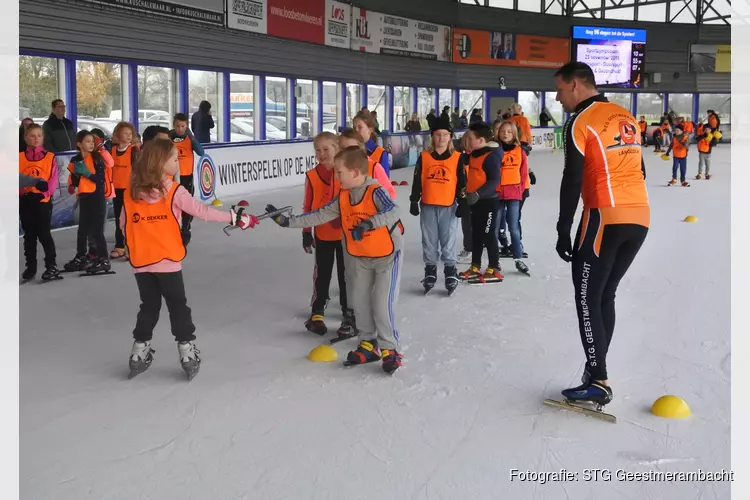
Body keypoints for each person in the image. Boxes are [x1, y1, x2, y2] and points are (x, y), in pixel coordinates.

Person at [553, 61, 649, 408]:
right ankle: (597, 374)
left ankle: (599, 379)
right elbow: (640, 167)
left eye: (560, 90)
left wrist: (565, 228)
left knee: (586, 298)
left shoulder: (581, 121)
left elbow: (572, 179)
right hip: (639, 215)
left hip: (603, 218)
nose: (558, 97)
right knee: (605, 295)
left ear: (577, 86)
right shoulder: (625, 116)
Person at [121, 139, 259, 380]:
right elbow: (201, 211)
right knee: (178, 306)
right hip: (168, 260)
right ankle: (186, 350)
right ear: (161, 164)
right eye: (175, 159)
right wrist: (234, 218)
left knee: (149, 306)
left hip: (141, 261)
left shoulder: (131, 193)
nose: (178, 163)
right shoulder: (174, 190)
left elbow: (124, 226)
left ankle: (138, 350)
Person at [267, 147, 405, 374]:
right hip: (359, 256)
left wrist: (369, 223)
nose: (336, 176)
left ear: (355, 172)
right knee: (358, 302)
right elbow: (318, 214)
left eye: (339, 172)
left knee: (381, 304)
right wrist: (286, 221)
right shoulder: (342, 196)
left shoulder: (374, 190)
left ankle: (390, 349)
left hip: (386, 256)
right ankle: (368, 344)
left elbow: (394, 209)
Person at [301, 132, 356, 341]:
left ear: (337, 149)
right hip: (322, 233)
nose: (322, 154)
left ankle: (347, 314)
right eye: (318, 150)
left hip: (344, 235)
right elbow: (307, 205)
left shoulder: (344, 173)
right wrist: (306, 232)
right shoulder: (312, 176)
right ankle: (317, 312)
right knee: (322, 275)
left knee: (345, 276)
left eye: (326, 149)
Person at [409, 118, 466, 294]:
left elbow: (462, 181)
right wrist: (414, 199)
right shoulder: (424, 157)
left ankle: (450, 269)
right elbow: (417, 179)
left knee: (448, 240)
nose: (441, 138)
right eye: (438, 135)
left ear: (450, 137)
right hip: (428, 205)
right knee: (429, 240)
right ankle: (430, 269)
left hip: (448, 206)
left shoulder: (457, 157)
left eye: (445, 135)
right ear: (432, 137)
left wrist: (462, 201)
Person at [63, 130, 115, 275]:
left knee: (97, 231)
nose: (91, 144)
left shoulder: (97, 158)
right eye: (88, 141)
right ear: (79, 144)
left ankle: (103, 259)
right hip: (84, 197)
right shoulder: (75, 159)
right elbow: (73, 177)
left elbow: (100, 179)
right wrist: (72, 184)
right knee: (82, 230)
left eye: (92, 142)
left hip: (97, 197)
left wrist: (87, 173)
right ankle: (81, 257)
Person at [458, 121, 503, 283]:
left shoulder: (491, 156)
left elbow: (494, 181)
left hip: (489, 203)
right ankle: (475, 265)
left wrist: (478, 193)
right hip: (475, 202)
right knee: (475, 234)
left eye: (470, 138)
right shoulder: (473, 154)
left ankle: (494, 267)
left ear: (482, 140)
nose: (467, 141)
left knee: (489, 235)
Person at [19, 123, 60, 282]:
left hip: (42, 200)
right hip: (25, 199)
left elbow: (53, 179)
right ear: (26, 138)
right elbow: (16, 178)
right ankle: (31, 267)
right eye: (32, 135)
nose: (36, 139)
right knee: (29, 235)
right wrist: (22, 192)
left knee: (44, 234)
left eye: (39, 135)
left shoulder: (50, 157)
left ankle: (51, 265)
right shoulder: (19, 157)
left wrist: (45, 194)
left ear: (43, 137)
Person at [494, 121, 529, 274]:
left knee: (513, 227)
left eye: (509, 131)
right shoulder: (494, 151)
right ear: (498, 133)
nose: (505, 134)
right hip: (497, 194)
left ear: (514, 134)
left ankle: (518, 258)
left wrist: (520, 189)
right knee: (495, 228)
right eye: (502, 131)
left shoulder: (519, 151)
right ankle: (493, 260)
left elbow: (523, 172)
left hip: (514, 194)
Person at [170, 113, 205, 245]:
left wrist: (193, 138)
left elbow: (201, 152)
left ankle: (185, 230)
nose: (180, 129)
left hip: (186, 177)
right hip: (172, 178)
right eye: (177, 126)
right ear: (173, 126)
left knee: (186, 205)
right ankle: (173, 230)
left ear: (186, 127)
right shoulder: (169, 138)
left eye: (183, 126)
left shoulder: (190, 140)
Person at [110, 122, 139, 259]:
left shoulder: (134, 150)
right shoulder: (113, 150)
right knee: (118, 219)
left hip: (129, 190)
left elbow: (139, 171)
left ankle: (131, 246)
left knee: (129, 219)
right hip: (116, 190)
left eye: (130, 134)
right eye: (125, 133)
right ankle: (119, 245)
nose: (128, 136)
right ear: (118, 135)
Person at [339, 129, 396, 199]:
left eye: (351, 149)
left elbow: (390, 193)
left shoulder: (374, 167)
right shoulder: (337, 170)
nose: (345, 153)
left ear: (361, 149)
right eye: (342, 149)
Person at [352, 111, 390, 178]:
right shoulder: (349, 150)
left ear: (370, 130)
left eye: (360, 127)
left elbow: (385, 182)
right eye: (354, 128)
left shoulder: (380, 153)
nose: (356, 130)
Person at [456, 133, 473, 264]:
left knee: (474, 223)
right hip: (464, 195)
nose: (468, 143)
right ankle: (468, 248)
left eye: (470, 141)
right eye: (465, 141)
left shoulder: (478, 156)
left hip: (477, 193)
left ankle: (473, 248)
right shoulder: (459, 156)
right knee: (466, 222)